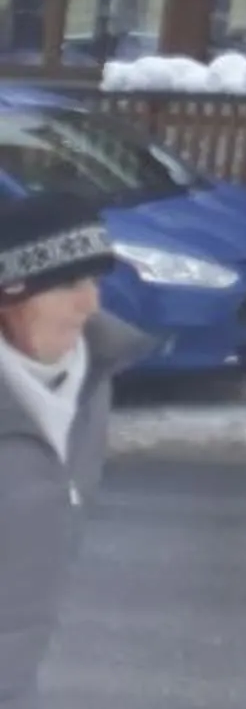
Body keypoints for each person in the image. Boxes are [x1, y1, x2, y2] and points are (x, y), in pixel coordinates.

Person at [0, 193, 146, 708]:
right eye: (66, 284)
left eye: (94, 281)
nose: (90, 304)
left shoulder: (91, 380)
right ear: (8, 294)